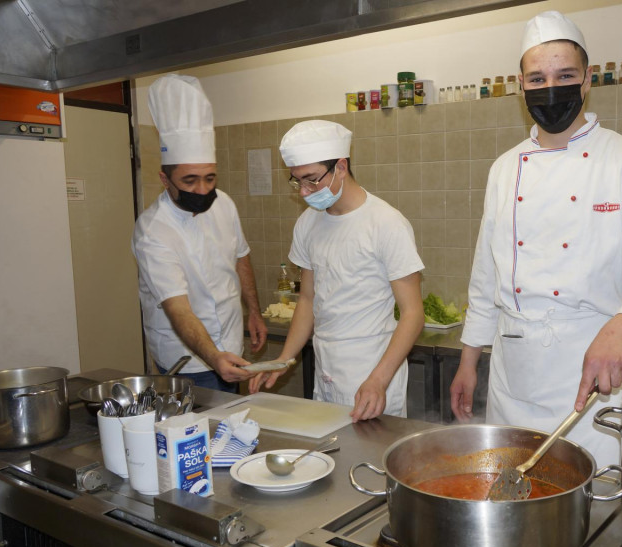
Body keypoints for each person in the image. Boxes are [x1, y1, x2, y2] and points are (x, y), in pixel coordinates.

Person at [449, 11, 622, 468]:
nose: (550, 87)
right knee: (509, 491)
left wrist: (621, 329)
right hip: (512, 375)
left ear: (587, 81)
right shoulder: (504, 169)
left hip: (593, 373)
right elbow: (486, 275)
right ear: (520, 84)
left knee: (594, 504)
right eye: (537, 77)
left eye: (564, 75)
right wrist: (468, 360)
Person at [250, 120, 425, 422]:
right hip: (326, 370)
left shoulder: (385, 223)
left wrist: (378, 380)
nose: (304, 192)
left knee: (369, 463)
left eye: (312, 180)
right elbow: (307, 300)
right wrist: (283, 359)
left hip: (373, 372)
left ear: (341, 167)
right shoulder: (308, 223)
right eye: (297, 181)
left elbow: (413, 313)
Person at [132, 74, 267, 392]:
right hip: (188, 362)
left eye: (210, 178)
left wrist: (254, 313)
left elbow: (240, 258)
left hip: (231, 343)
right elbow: (177, 308)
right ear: (165, 180)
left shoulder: (224, 204)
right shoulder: (153, 231)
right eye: (190, 180)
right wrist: (213, 358)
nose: (203, 189)